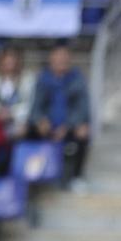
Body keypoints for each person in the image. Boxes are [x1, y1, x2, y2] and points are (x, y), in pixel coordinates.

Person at [32, 45, 93, 191]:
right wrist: (41, 121)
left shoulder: (77, 79)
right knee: (27, 132)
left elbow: (82, 108)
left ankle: (76, 177)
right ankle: (33, 176)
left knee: (83, 132)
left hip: (69, 126)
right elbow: (35, 107)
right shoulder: (42, 79)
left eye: (64, 57)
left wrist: (67, 126)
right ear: (51, 59)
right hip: (47, 126)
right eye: (58, 57)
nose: (61, 60)